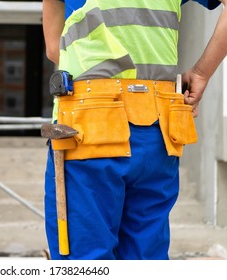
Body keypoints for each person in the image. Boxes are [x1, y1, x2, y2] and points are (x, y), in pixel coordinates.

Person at [42, 0, 227, 260]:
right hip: (157, 128)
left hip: (91, 126)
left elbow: (54, 50)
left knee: (85, 263)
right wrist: (201, 72)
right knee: (145, 261)